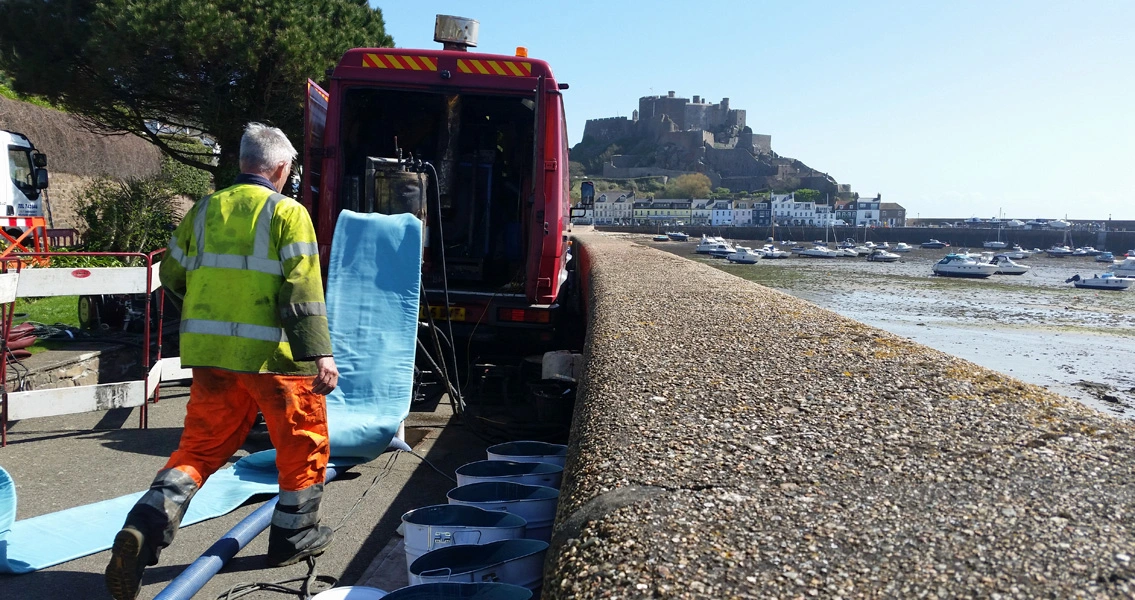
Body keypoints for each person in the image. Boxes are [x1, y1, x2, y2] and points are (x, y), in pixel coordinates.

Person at [105, 123, 340, 600]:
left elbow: (171, 274)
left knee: (199, 450)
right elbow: (302, 292)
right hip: (275, 360)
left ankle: (143, 529)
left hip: (213, 360)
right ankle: (293, 537)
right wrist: (320, 354)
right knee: (303, 446)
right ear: (280, 168)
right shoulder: (289, 213)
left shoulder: (205, 209)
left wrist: (208, 321)